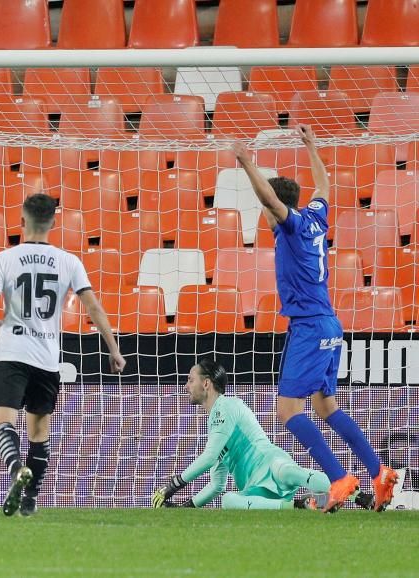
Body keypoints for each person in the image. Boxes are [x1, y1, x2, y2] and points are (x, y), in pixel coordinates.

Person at [232, 126, 398, 512]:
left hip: (309, 325)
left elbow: (270, 198)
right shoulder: (316, 218)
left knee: (288, 410)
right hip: (329, 325)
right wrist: (311, 146)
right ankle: (378, 472)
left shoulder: (288, 226)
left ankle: (340, 478)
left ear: (275, 210)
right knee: (326, 406)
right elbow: (324, 187)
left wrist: (246, 163)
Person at [0, 193, 126, 517]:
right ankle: (30, 500)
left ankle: (17, 469)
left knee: (3, 424)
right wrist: (114, 349)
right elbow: (93, 307)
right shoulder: (69, 261)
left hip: (11, 353)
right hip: (47, 358)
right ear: (54, 223)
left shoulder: (4, 259)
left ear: (21, 221)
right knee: (38, 433)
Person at [152, 358, 332, 510]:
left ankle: (339, 492)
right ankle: (299, 505)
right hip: (255, 489)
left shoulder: (226, 406)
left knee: (285, 471)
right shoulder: (215, 426)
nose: (186, 386)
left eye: (191, 380)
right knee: (227, 500)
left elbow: (209, 457)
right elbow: (217, 485)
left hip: (270, 463)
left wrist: (172, 486)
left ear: (206, 383)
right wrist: (185, 508)